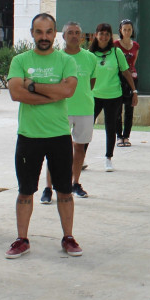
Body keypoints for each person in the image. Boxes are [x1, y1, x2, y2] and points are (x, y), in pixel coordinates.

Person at [5, 13, 81, 258]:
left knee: (65, 191)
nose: (44, 37)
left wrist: (33, 85)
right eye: (39, 32)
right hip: (29, 136)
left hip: (59, 135)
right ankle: (22, 239)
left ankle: (68, 237)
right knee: (25, 191)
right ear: (32, 33)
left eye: (49, 32)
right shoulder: (19, 60)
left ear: (55, 33)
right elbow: (16, 94)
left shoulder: (65, 60)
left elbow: (67, 90)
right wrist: (52, 93)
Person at [42, 22, 98, 203]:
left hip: (85, 109)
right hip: (60, 110)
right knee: (54, 149)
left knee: (80, 147)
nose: (74, 36)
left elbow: (91, 82)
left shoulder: (90, 58)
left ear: (82, 37)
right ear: (63, 36)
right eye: (70, 33)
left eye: (77, 33)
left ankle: (75, 183)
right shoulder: (55, 58)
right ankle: (48, 188)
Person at [90, 23, 137, 173]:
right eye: (101, 33)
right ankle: (80, 156)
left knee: (110, 127)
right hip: (94, 96)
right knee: (86, 127)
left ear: (111, 36)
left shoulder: (116, 53)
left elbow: (126, 72)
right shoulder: (89, 54)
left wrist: (134, 92)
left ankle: (108, 158)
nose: (104, 37)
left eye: (107, 34)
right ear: (96, 35)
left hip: (113, 96)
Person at [115, 19, 139, 147]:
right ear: (120, 30)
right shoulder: (115, 45)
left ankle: (126, 136)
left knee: (130, 108)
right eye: (125, 29)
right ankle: (119, 136)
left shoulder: (135, 45)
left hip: (132, 78)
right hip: (118, 79)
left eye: (129, 29)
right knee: (118, 109)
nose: (127, 32)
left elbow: (133, 63)